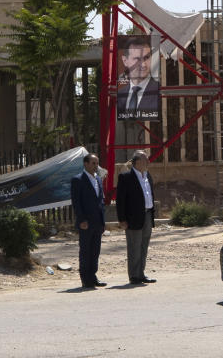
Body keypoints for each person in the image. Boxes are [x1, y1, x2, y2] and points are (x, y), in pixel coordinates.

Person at [116, 150, 157, 285]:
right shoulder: (126, 177)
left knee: (144, 246)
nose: (148, 162)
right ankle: (134, 275)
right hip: (133, 218)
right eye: (146, 160)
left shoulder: (147, 175)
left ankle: (141, 274)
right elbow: (121, 200)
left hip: (147, 215)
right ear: (137, 161)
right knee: (134, 247)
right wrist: (122, 219)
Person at [70, 153, 107, 289]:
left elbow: (100, 202)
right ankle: (85, 279)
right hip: (86, 222)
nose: (96, 166)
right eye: (93, 163)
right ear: (85, 164)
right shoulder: (78, 180)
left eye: (97, 163)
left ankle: (93, 276)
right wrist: (82, 220)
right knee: (85, 251)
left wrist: (103, 222)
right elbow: (77, 202)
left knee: (95, 251)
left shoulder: (98, 179)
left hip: (97, 222)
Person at [116, 36, 160, 119]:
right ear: (125, 61)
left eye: (146, 58)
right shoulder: (120, 94)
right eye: (137, 59)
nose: (143, 65)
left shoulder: (159, 91)